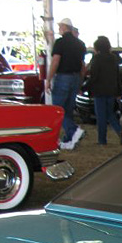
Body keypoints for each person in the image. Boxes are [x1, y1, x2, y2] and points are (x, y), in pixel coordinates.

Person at [47, 17, 87, 149]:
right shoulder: (80, 44)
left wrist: (48, 79)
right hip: (75, 78)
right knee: (68, 109)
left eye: (60, 27)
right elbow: (82, 66)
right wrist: (80, 83)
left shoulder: (60, 42)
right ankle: (69, 139)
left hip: (63, 77)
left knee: (58, 109)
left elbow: (55, 61)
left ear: (64, 27)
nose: (59, 29)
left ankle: (73, 130)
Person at [86, 36, 122, 146]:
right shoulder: (113, 58)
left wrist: (84, 87)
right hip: (112, 90)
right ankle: (119, 130)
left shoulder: (97, 58)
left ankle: (102, 140)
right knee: (109, 113)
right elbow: (117, 75)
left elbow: (94, 76)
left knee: (101, 116)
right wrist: (119, 92)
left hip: (99, 91)